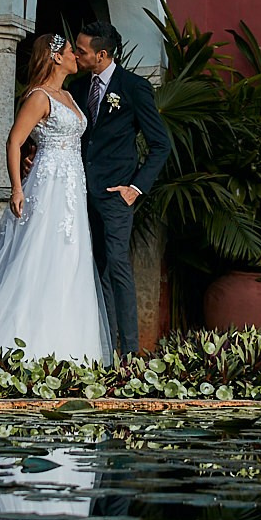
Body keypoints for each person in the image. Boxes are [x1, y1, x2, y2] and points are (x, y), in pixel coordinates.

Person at [0, 33, 115, 363]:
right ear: (56, 57)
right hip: (48, 185)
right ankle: (20, 341)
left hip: (72, 188)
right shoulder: (38, 96)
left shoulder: (68, 95)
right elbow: (14, 141)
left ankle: (69, 347)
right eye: (71, 52)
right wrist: (17, 188)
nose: (76, 57)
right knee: (41, 255)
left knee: (70, 258)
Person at [73, 22, 171, 359]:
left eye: (81, 50)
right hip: (79, 191)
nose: (76, 55)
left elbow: (161, 144)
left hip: (116, 193)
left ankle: (130, 353)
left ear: (101, 55)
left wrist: (135, 187)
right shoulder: (77, 87)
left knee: (117, 264)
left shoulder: (133, 87)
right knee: (96, 266)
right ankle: (105, 348)